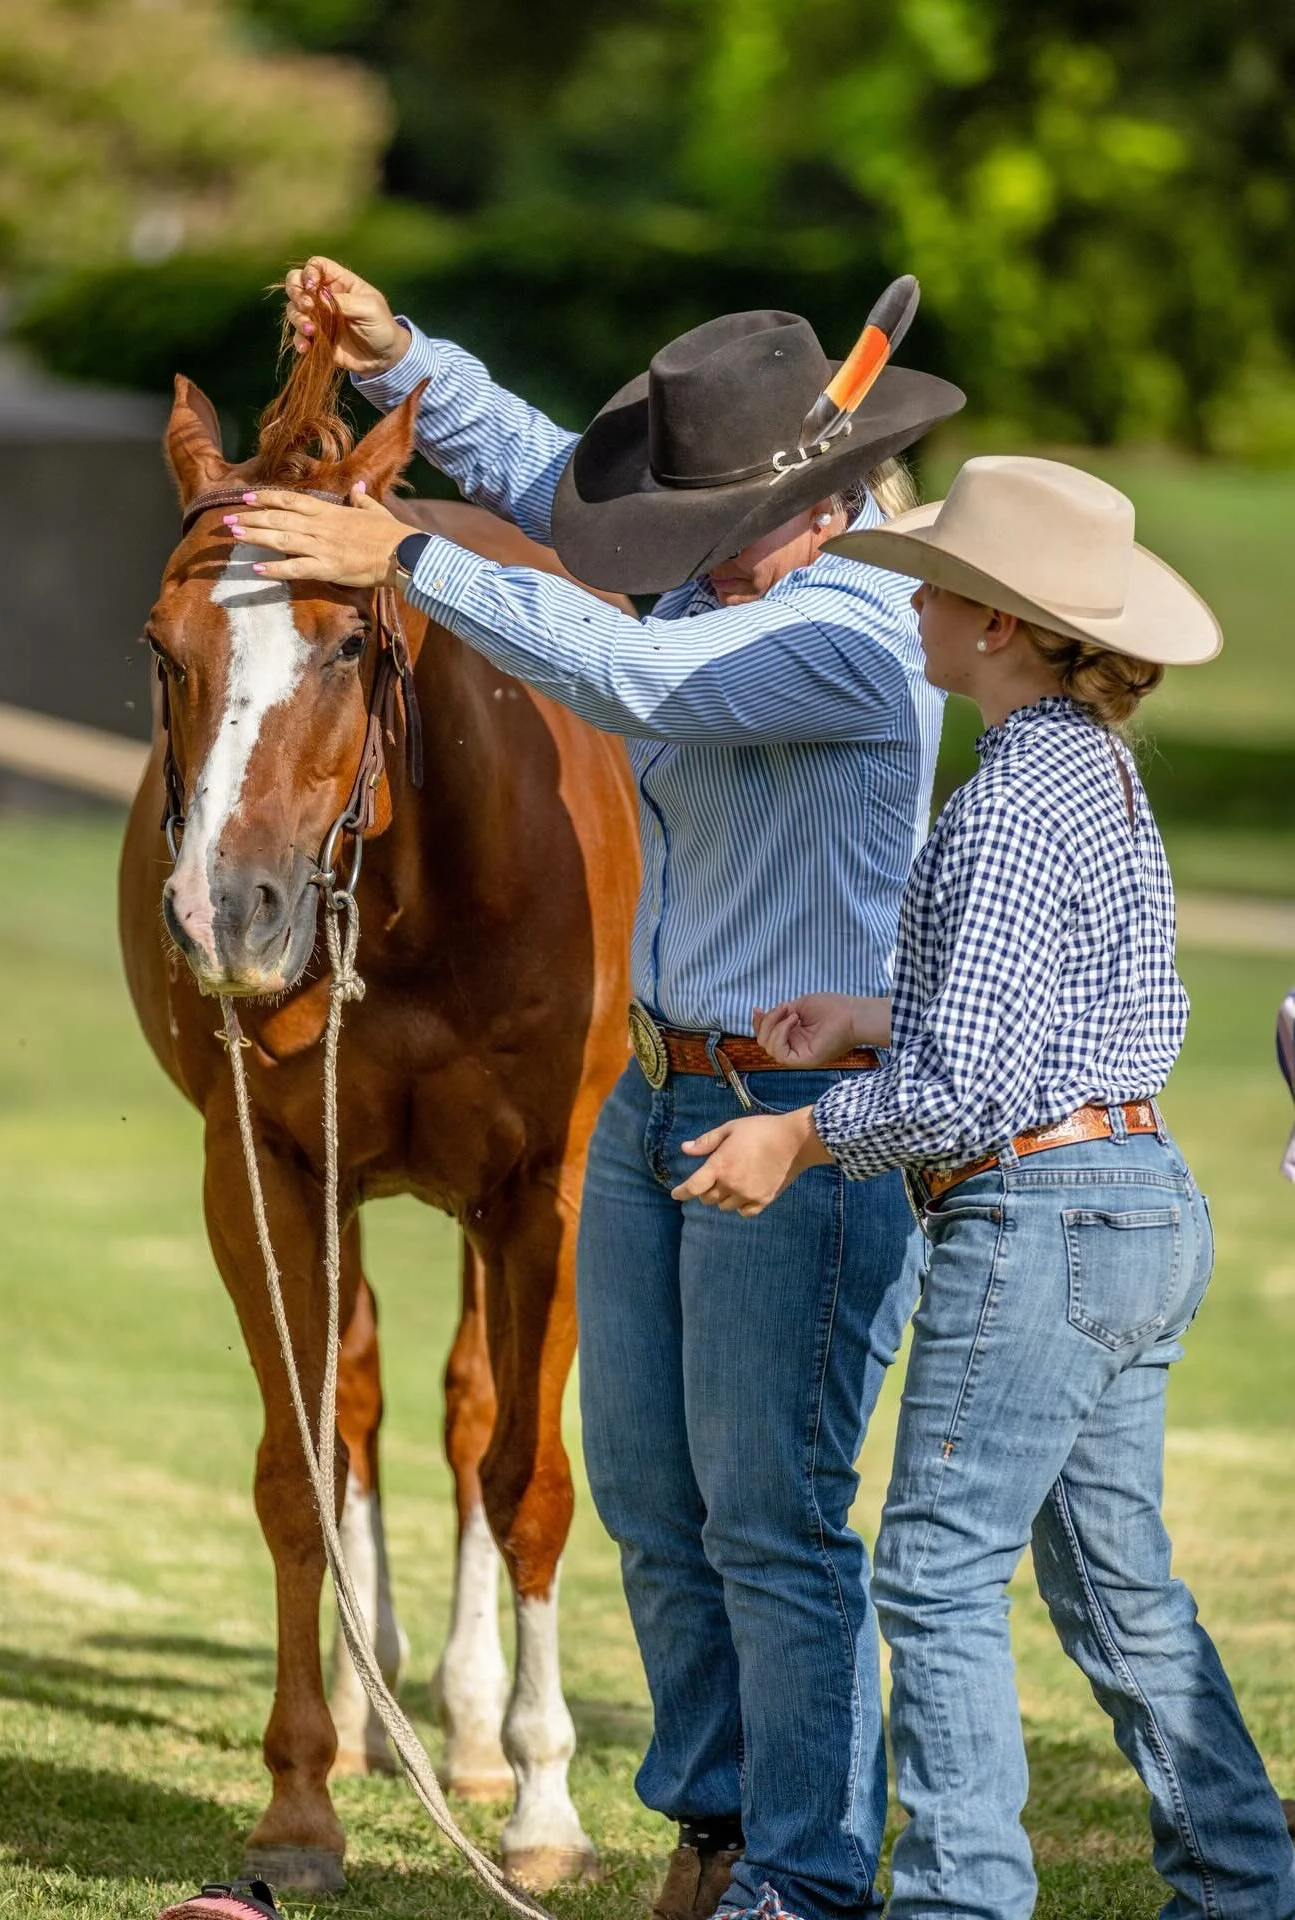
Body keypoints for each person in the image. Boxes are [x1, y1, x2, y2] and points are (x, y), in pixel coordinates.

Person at [228, 257, 963, 1920]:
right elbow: (559, 489)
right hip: (657, 1104)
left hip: (801, 1124)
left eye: (697, 507)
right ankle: (715, 1827)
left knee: (771, 1516)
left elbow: (634, 680)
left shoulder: (852, 639)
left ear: (816, 503)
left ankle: (805, 1869)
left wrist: (400, 551)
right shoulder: (724, 581)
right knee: (645, 1489)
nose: (663, 538)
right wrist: (399, 354)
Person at [674, 455, 1295, 1920]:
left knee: (937, 1579)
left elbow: (967, 1095)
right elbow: (1090, 1011)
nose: (920, 603)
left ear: (999, 626)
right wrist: (871, 1016)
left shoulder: (1012, 799)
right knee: (1115, 1586)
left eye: (941, 585)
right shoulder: (1091, 768)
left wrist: (800, 1134)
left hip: (1040, 1222)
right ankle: (1246, 1888)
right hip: (1136, 1196)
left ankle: (961, 1904)